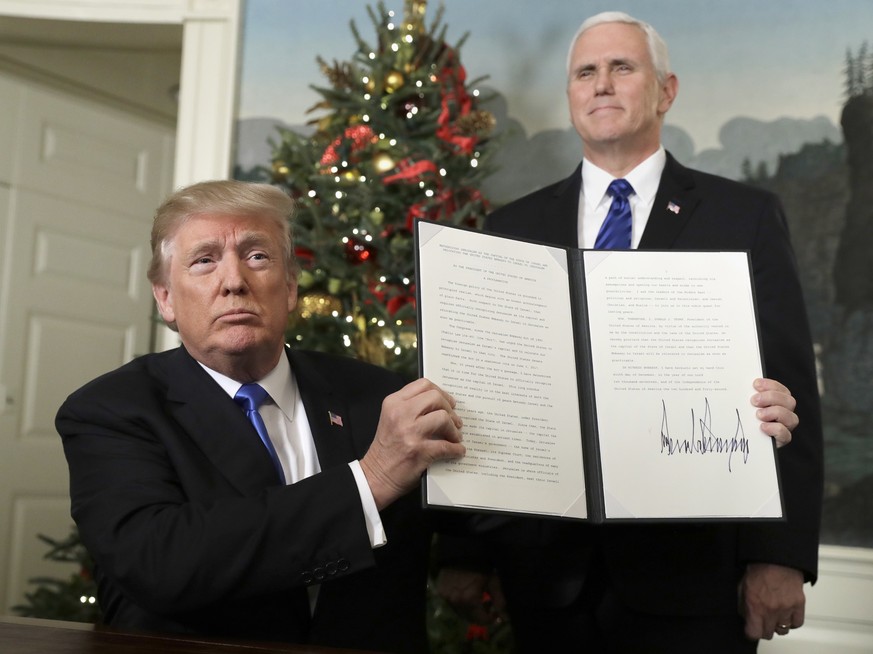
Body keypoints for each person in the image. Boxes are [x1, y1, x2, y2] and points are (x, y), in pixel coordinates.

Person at [437, 11, 823, 653]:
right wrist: (464, 548)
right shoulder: (511, 227)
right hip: (544, 577)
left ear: (666, 91)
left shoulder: (743, 217)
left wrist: (779, 557)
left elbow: (789, 392)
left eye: (622, 67)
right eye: (585, 72)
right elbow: (480, 394)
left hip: (695, 579)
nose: (601, 84)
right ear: (570, 98)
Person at [56, 179, 466, 653]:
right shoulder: (110, 410)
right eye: (204, 260)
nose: (234, 281)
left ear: (289, 287)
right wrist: (369, 480)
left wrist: (471, 558)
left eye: (257, 256)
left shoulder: (384, 397)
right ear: (165, 297)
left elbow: (470, 503)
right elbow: (159, 562)